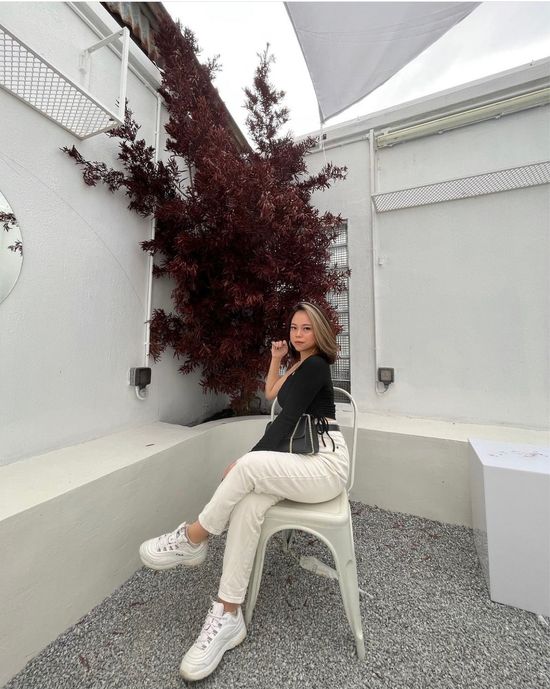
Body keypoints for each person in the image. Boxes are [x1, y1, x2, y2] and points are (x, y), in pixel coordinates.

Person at [139, 301, 350, 681]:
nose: (298, 334)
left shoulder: (317, 365)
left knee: (247, 468)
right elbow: (271, 395)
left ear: (319, 332)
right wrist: (277, 359)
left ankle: (194, 537)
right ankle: (228, 613)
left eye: (306, 328)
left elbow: (287, 420)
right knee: (248, 504)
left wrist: (246, 460)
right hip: (298, 461)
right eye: (294, 327)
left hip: (324, 464)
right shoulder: (297, 366)